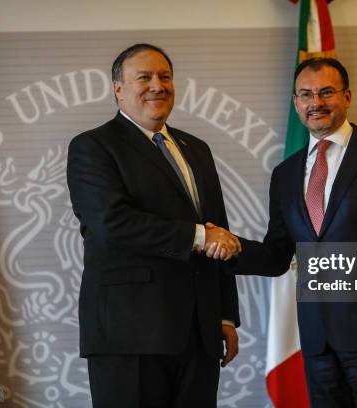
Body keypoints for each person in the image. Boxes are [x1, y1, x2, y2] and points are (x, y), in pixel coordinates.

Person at [209, 57, 357, 407]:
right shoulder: (285, 174)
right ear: (296, 103)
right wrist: (232, 249)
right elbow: (279, 252)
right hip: (316, 340)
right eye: (306, 95)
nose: (316, 103)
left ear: (347, 96)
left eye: (326, 92)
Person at [67, 43, 241, 407]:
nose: (157, 85)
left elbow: (218, 229)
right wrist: (198, 236)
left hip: (199, 334)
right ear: (118, 88)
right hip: (130, 336)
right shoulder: (92, 147)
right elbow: (111, 222)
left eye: (164, 76)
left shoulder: (197, 149)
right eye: (143, 77)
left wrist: (224, 314)